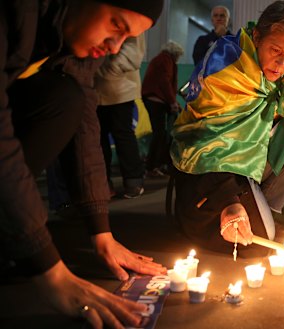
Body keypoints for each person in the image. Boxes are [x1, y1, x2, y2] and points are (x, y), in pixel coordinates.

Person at [0, 1, 167, 328]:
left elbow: (85, 125)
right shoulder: (16, 10)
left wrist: (101, 231)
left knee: (66, 99)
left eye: (126, 39)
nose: (114, 47)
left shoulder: (69, 36)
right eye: (116, 26)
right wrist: (49, 269)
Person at [171, 0, 284, 257]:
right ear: (256, 37)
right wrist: (230, 201)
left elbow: (278, 117)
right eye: (275, 50)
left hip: (250, 159)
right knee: (256, 245)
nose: (281, 63)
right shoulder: (225, 66)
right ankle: (246, 207)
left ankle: (266, 210)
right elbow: (205, 141)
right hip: (210, 172)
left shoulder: (282, 73)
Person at [96, 35, 146, 198]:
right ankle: (109, 183)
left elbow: (134, 51)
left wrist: (109, 69)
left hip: (118, 86)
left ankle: (132, 182)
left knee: (121, 134)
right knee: (101, 137)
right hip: (101, 85)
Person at [142, 40, 184, 177]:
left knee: (160, 134)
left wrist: (174, 102)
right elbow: (165, 82)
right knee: (159, 134)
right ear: (175, 53)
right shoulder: (166, 60)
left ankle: (154, 165)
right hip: (156, 102)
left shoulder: (160, 59)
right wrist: (172, 102)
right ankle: (152, 165)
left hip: (155, 100)